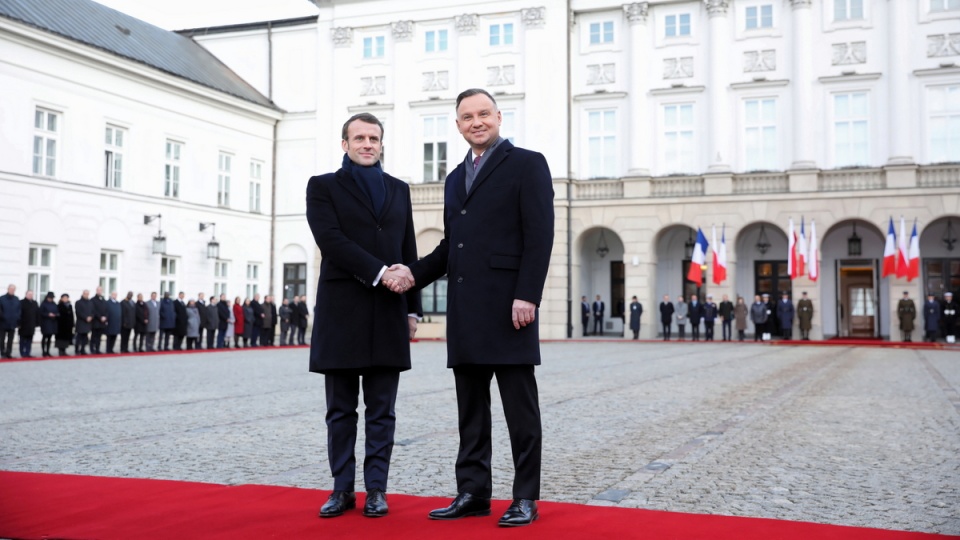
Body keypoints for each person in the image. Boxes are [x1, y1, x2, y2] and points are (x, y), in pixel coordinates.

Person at [400, 89, 554, 527]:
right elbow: (452, 246)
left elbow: (539, 234)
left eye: (483, 113)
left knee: (520, 410)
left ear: (499, 117)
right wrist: (412, 274)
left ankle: (525, 497)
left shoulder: (528, 164)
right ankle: (472, 491)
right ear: (458, 125)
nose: (476, 122)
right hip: (466, 308)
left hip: (510, 307)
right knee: (470, 411)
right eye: (467, 117)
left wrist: (528, 294)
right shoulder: (454, 179)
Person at [306, 111, 422, 520]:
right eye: (359, 138)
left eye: (373, 138)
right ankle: (341, 489)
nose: (367, 144)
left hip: (390, 311)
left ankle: (376, 489)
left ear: (381, 143)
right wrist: (379, 273)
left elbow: (408, 248)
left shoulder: (399, 189)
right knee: (340, 410)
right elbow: (331, 241)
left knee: (382, 410)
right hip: (341, 312)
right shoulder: (322, 187)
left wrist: (414, 309)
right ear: (345, 144)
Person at [1, 284, 21, 359]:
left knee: (10, 339)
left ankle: (8, 352)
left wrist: (17, 318)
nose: (12, 291)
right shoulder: (2, 298)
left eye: (13, 290)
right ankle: (2, 352)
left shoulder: (16, 299)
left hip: (13, 322)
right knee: (2, 339)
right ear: (8, 289)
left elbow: (19, 310)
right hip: (3, 322)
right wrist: (3, 317)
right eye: (11, 289)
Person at [18, 290, 39, 358]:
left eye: (31, 294)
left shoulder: (35, 303)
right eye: (29, 294)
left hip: (31, 325)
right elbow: (18, 314)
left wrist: (37, 323)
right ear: (26, 294)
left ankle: (27, 352)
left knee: (29, 340)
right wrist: (19, 323)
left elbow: (37, 314)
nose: (30, 296)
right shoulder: (21, 302)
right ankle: (22, 353)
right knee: (22, 340)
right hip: (23, 325)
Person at [39, 292, 59, 357]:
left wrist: (55, 315)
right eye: (50, 298)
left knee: (50, 338)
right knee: (44, 337)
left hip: (52, 323)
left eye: (52, 298)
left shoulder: (54, 304)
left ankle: (48, 351)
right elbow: (41, 313)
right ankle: (43, 351)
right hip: (45, 323)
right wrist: (48, 314)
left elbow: (57, 312)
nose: (51, 299)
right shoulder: (43, 304)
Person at [74, 289, 93, 355]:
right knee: (78, 338)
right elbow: (78, 312)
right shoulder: (78, 302)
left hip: (88, 323)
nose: (86, 295)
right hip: (81, 322)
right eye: (85, 294)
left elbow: (93, 312)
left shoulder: (90, 302)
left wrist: (91, 317)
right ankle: (77, 350)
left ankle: (83, 349)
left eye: (87, 294)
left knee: (85, 338)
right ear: (83, 294)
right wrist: (85, 318)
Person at [90, 286, 108, 354]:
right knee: (93, 336)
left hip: (102, 322)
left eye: (101, 290)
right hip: (95, 321)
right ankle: (92, 349)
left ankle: (97, 349)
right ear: (96, 291)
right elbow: (93, 310)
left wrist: (105, 317)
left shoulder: (103, 299)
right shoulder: (93, 299)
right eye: (98, 290)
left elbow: (106, 309)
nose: (99, 291)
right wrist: (100, 317)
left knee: (99, 337)